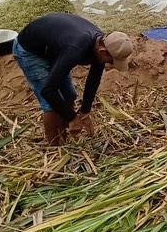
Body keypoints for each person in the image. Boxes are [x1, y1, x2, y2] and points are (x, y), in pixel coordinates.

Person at [12, 13, 134, 146]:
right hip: (30, 51)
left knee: (70, 95)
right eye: (111, 60)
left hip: (53, 48)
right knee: (51, 105)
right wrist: (72, 117)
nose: (110, 64)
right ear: (102, 52)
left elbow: (94, 78)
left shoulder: (101, 42)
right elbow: (48, 90)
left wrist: (85, 112)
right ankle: (55, 149)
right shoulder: (76, 48)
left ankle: (64, 136)